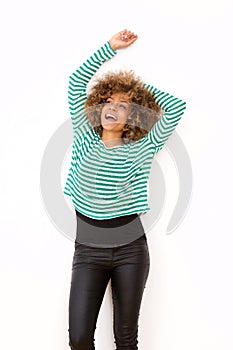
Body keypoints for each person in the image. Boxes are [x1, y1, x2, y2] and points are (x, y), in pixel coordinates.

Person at [64, 29, 187, 350]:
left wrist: (133, 89)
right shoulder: (84, 137)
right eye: (107, 101)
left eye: (122, 105)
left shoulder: (143, 148)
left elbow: (176, 107)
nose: (111, 107)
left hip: (131, 251)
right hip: (88, 252)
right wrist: (109, 49)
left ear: (132, 113)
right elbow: (76, 83)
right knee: (78, 338)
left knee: (126, 339)